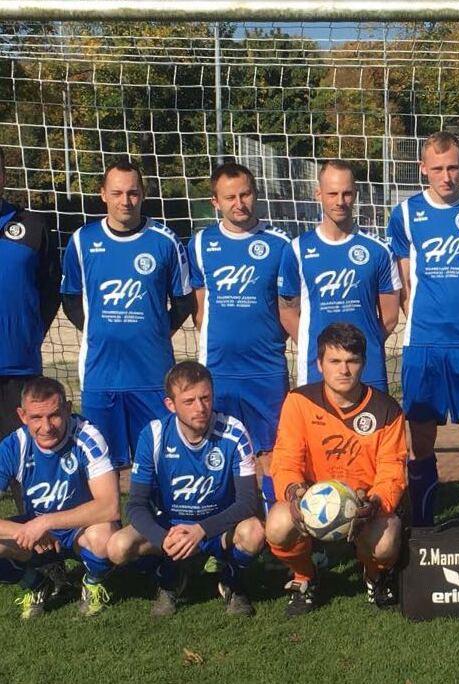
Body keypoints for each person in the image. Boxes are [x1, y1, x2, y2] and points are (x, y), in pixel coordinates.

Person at [387, 132, 459, 526]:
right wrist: (423, 318)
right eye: (437, 168)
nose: (446, 176)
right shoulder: (405, 214)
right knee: (420, 438)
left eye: (453, 167)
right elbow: (403, 281)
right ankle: (423, 526)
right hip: (423, 342)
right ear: (423, 169)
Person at [60, 159, 194, 482]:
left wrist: (154, 332)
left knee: (159, 467)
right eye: (117, 193)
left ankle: (155, 518)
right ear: (102, 194)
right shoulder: (82, 240)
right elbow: (70, 299)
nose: (125, 201)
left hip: (152, 376)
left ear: (143, 194)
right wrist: (102, 330)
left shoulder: (165, 240)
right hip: (101, 376)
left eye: (132, 193)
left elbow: (183, 301)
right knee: (104, 471)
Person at [265, 323, 407, 617]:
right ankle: (305, 577)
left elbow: (392, 472)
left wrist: (375, 503)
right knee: (278, 525)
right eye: (334, 361)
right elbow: (285, 461)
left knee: (386, 541)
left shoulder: (387, 410)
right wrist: (294, 493)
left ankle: (374, 577)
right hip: (312, 504)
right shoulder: (299, 402)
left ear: (363, 363)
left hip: (365, 506)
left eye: (352, 361)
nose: (343, 370)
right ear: (319, 364)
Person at [106, 361, 264, 617]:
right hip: (172, 528)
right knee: (117, 547)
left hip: (218, 527)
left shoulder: (233, 431)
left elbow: (248, 501)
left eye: (205, 398)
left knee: (254, 532)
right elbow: (135, 505)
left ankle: (231, 579)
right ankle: (171, 574)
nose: (200, 408)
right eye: (189, 401)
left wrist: (201, 530)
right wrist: (164, 538)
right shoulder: (153, 435)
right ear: (171, 404)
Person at [186, 162, 292, 508]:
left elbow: (289, 306)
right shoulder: (200, 244)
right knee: (217, 449)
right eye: (230, 197)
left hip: (266, 369)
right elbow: (200, 310)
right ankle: (224, 524)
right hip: (218, 369)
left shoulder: (280, 244)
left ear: (255, 194)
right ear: (215, 201)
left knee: (272, 452)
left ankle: (277, 523)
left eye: (245, 194)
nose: (239, 203)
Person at [0, 377, 119, 618]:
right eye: (36, 418)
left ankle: (93, 583)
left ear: (67, 408)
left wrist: (45, 522)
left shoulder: (87, 436)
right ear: (22, 416)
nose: (46, 427)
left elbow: (110, 507)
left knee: (105, 537)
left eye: (54, 415)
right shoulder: (14, 446)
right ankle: (36, 583)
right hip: (38, 536)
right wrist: (24, 530)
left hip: (80, 529)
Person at [278, 160, 400, 392]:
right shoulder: (296, 249)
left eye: (346, 193)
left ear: (355, 194)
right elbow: (287, 312)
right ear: (319, 194)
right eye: (332, 194)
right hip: (316, 369)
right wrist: (322, 353)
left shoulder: (378, 250)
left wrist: (358, 351)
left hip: (367, 368)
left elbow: (390, 317)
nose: (340, 201)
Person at [0, 148, 61, 439]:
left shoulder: (32, 226)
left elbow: (51, 290)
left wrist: (30, 332)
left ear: (4, 176)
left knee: (21, 457)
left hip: (20, 367)